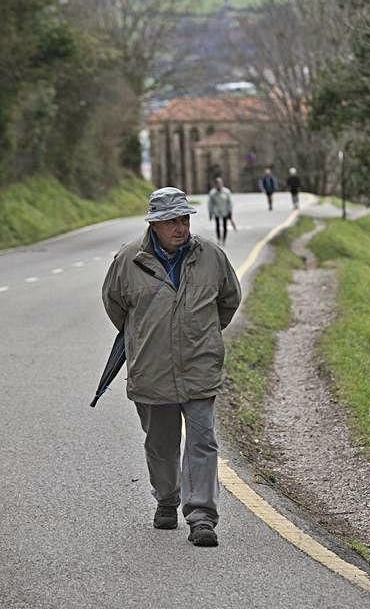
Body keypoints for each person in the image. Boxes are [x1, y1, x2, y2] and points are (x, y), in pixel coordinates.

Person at [102, 187, 241, 547]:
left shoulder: (211, 255)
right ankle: (166, 497)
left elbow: (229, 300)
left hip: (199, 365)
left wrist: (202, 334)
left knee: (203, 440)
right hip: (152, 369)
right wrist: (144, 337)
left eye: (185, 219)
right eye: (172, 222)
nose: (181, 228)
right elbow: (116, 307)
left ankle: (201, 517)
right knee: (161, 444)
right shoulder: (128, 261)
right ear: (154, 225)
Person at [208, 177, 233, 245]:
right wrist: (210, 213)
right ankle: (219, 239)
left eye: (220, 183)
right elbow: (210, 204)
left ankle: (224, 239)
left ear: (222, 184)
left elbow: (230, 202)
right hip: (217, 212)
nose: (219, 185)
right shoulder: (212, 193)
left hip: (225, 211)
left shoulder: (226, 192)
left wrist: (230, 212)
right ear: (215, 185)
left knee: (225, 226)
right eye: (217, 184)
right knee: (217, 225)